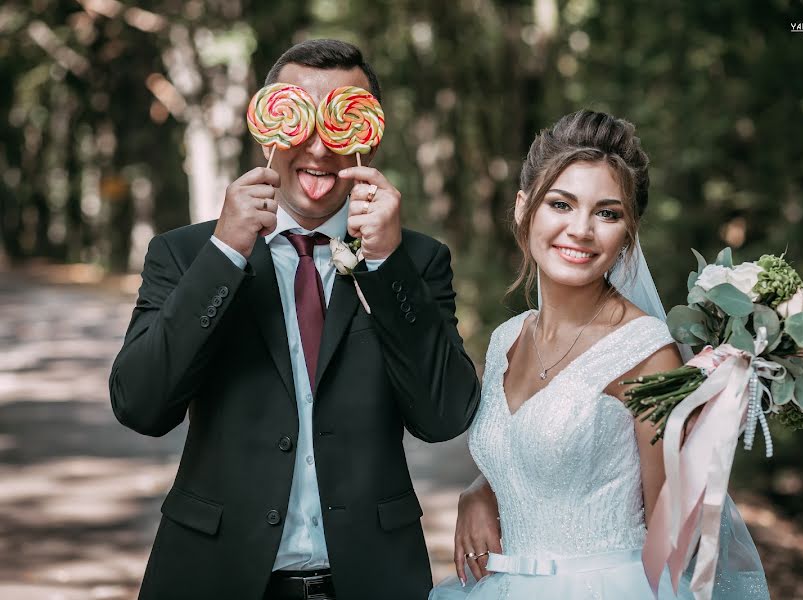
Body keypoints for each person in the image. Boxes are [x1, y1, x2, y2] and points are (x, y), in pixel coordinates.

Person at [110, 39, 481, 600]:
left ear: (368, 134)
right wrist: (226, 255)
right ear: (268, 127)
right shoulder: (186, 255)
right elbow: (140, 404)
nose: (317, 145)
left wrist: (385, 263)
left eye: (339, 120)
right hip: (213, 575)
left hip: (370, 580)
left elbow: (445, 414)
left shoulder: (417, 261)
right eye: (299, 117)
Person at [430, 110, 769, 599]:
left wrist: (701, 437)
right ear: (525, 208)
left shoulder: (646, 351)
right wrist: (480, 491)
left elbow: (672, 542)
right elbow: (537, 458)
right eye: (561, 204)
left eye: (607, 213)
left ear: (628, 233)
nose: (582, 229)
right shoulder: (508, 338)